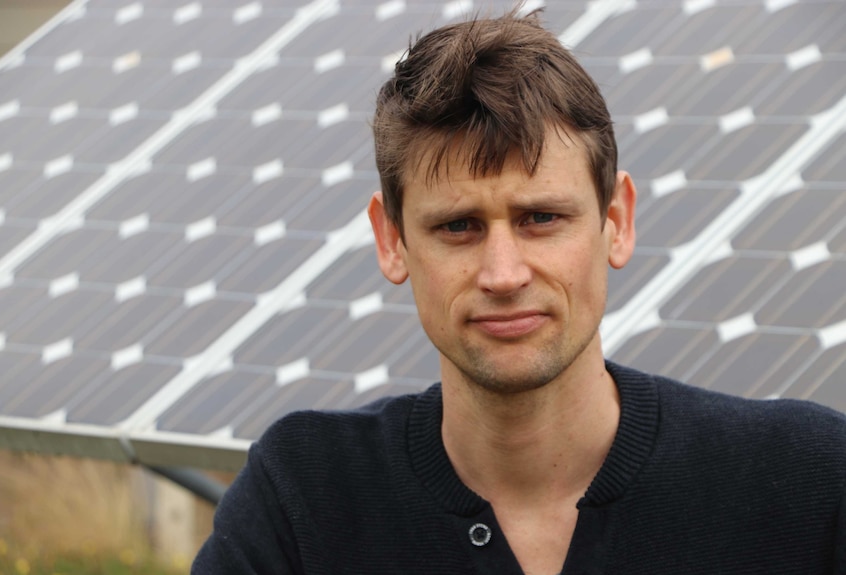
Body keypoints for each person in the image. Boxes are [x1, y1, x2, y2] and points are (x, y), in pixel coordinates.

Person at [192, 9, 846, 575]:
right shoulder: (303, 501)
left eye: (541, 218)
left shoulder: (807, 486)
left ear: (616, 222)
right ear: (391, 240)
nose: (503, 274)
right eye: (458, 226)